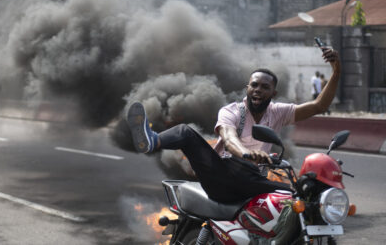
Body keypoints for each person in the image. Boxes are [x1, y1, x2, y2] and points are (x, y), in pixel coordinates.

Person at [127, 48, 340, 203]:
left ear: (273, 93)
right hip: (220, 175)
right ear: (247, 88)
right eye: (254, 85)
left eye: (265, 87)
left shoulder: (277, 112)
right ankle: (152, 139)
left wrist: (336, 69)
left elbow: (318, 105)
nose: (258, 90)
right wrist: (247, 153)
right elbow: (229, 140)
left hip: (251, 181)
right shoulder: (231, 111)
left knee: (299, 193)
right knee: (186, 132)